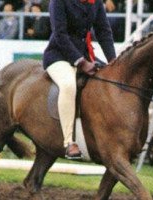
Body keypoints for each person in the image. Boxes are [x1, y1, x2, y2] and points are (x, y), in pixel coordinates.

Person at [43, 0, 116, 159]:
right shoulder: (59, 2)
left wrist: (113, 62)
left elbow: (103, 31)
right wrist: (81, 62)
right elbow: (59, 34)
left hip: (86, 56)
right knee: (68, 86)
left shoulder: (95, 2)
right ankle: (69, 142)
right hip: (59, 55)